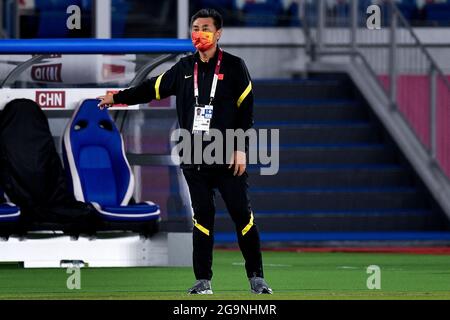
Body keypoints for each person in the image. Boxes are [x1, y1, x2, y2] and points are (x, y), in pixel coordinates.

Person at [97, 8, 272, 295]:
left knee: (243, 216)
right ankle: (203, 281)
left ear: (218, 34)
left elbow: (246, 112)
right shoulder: (182, 68)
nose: (199, 33)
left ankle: (257, 277)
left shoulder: (235, 66)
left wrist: (241, 149)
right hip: (194, 158)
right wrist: (117, 97)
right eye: (195, 28)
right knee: (202, 218)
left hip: (228, 157)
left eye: (205, 28)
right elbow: (149, 89)